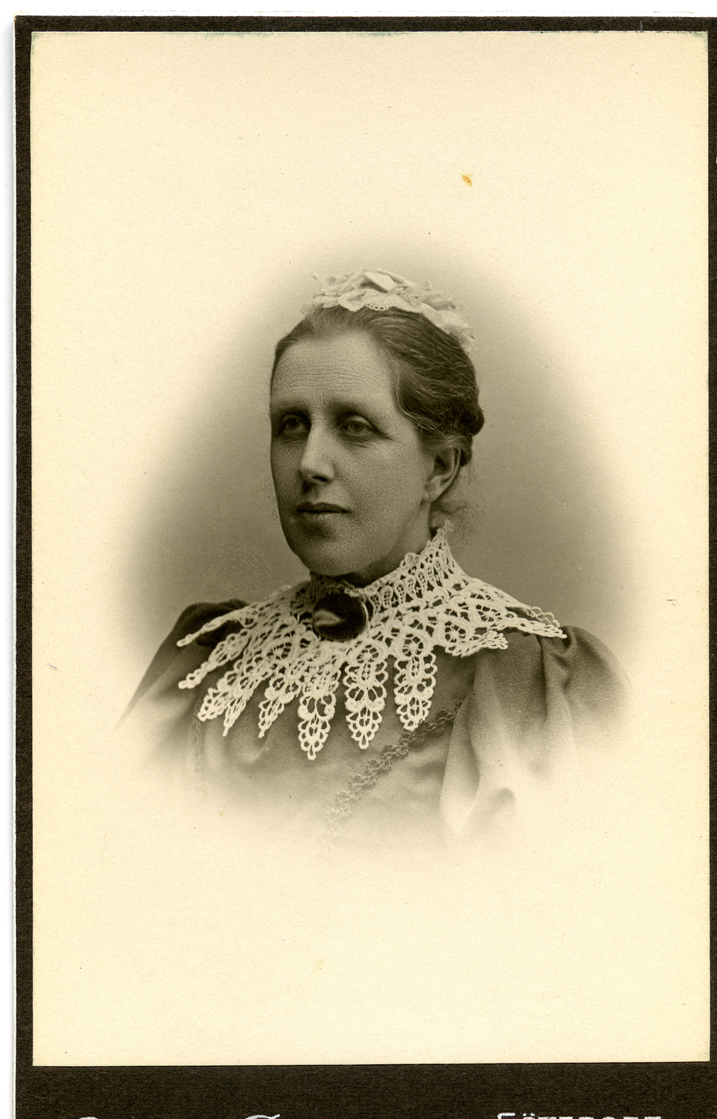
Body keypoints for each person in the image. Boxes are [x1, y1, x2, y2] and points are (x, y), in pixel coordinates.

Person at [125, 269, 627, 852]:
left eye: (355, 427)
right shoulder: (204, 659)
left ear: (439, 468)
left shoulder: (522, 679)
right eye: (292, 425)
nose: (309, 463)